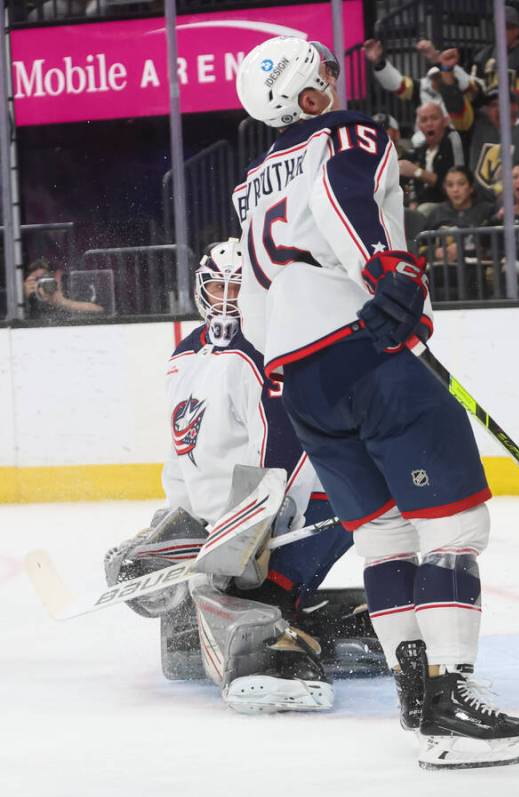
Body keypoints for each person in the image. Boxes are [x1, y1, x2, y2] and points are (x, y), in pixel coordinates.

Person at [233, 36, 519, 769]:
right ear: (307, 94)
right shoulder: (344, 131)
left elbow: (251, 303)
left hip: (301, 378)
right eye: (322, 74)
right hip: (361, 347)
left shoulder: (253, 181)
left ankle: (416, 697)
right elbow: (344, 196)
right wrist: (388, 268)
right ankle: (452, 696)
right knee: (456, 525)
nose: (334, 81)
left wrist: (288, 374)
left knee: (386, 538)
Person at [103, 239, 378, 712]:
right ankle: (293, 615)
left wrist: (264, 528)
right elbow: (183, 448)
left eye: (238, 288)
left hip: (289, 511)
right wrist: (173, 521)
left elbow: (285, 446)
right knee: (186, 578)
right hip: (226, 523)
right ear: (199, 290)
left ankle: (277, 637)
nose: (227, 300)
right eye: (217, 286)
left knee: (242, 588)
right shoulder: (186, 355)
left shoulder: (267, 348)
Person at [422, 166, 498, 299]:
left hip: (474, 268)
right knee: (427, 276)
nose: (455, 190)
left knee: (471, 273)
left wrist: (463, 250)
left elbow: (492, 244)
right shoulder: (437, 213)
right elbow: (419, 245)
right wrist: (435, 252)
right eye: (450, 185)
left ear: (471, 187)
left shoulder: (486, 211)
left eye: (461, 184)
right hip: (443, 268)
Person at [400, 102, 466, 214]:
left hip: (450, 205)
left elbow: (455, 183)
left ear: (445, 121)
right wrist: (412, 201)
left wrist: (417, 172)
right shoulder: (420, 151)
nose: (429, 124)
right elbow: (411, 187)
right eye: (424, 120)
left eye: (434, 118)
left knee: (423, 211)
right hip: (422, 205)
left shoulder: (453, 141)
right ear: (419, 126)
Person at [22, 258, 104, 321]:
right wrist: (27, 297)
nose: (42, 285)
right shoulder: (20, 305)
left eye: (45, 279)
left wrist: (61, 302)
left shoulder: (69, 292)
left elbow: (99, 310)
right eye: (37, 280)